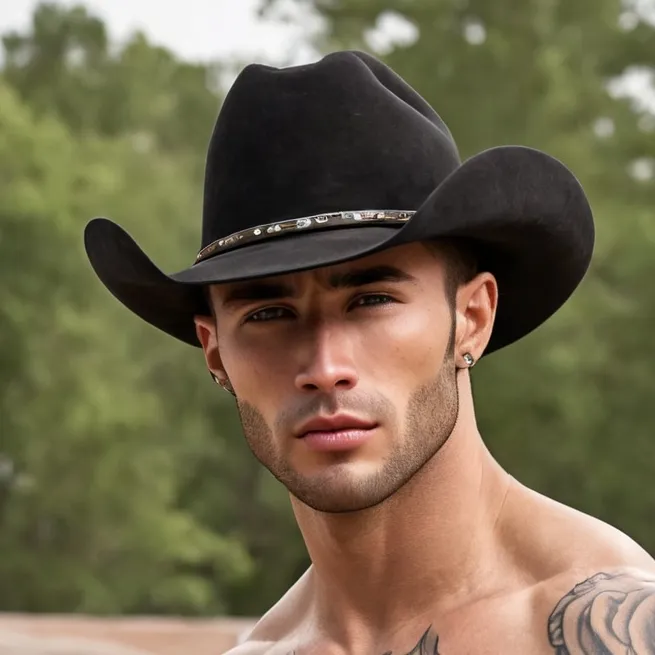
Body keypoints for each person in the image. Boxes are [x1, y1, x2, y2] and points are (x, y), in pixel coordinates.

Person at [84, 50, 655, 654]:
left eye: (372, 300)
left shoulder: (612, 629)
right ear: (216, 353)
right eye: (269, 314)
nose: (324, 368)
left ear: (472, 318)